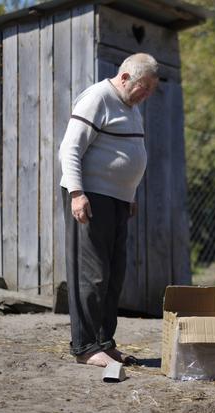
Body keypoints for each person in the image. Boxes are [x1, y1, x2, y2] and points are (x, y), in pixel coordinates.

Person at [59, 53, 159, 367]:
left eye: (151, 90)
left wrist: (128, 194)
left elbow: (127, 154)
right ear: (125, 77)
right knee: (93, 275)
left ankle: (105, 341)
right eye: (143, 87)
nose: (146, 95)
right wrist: (77, 193)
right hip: (91, 197)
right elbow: (70, 148)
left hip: (117, 200)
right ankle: (85, 346)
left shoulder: (131, 108)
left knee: (114, 275)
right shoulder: (98, 97)